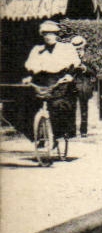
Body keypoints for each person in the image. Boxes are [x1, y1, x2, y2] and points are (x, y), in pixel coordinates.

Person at [24, 20, 80, 155]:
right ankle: (38, 135)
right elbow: (31, 67)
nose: (48, 36)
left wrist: (69, 76)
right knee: (27, 105)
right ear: (42, 35)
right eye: (45, 34)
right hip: (41, 80)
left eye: (52, 33)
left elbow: (75, 64)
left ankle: (56, 135)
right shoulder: (37, 50)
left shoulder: (66, 48)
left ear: (57, 35)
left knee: (58, 105)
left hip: (60, 80)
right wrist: (29, 77)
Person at [70, 34, 98, 136]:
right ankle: (72, 130)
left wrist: (85, 69)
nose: (78, 51)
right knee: (71, 107)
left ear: (83, 47)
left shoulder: (89, 57)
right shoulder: (69, 57)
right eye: (76, 49)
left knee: (84, 108)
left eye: (80, 49)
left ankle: (83, 130)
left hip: (84, 85)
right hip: (72, 84)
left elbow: (95, 71)